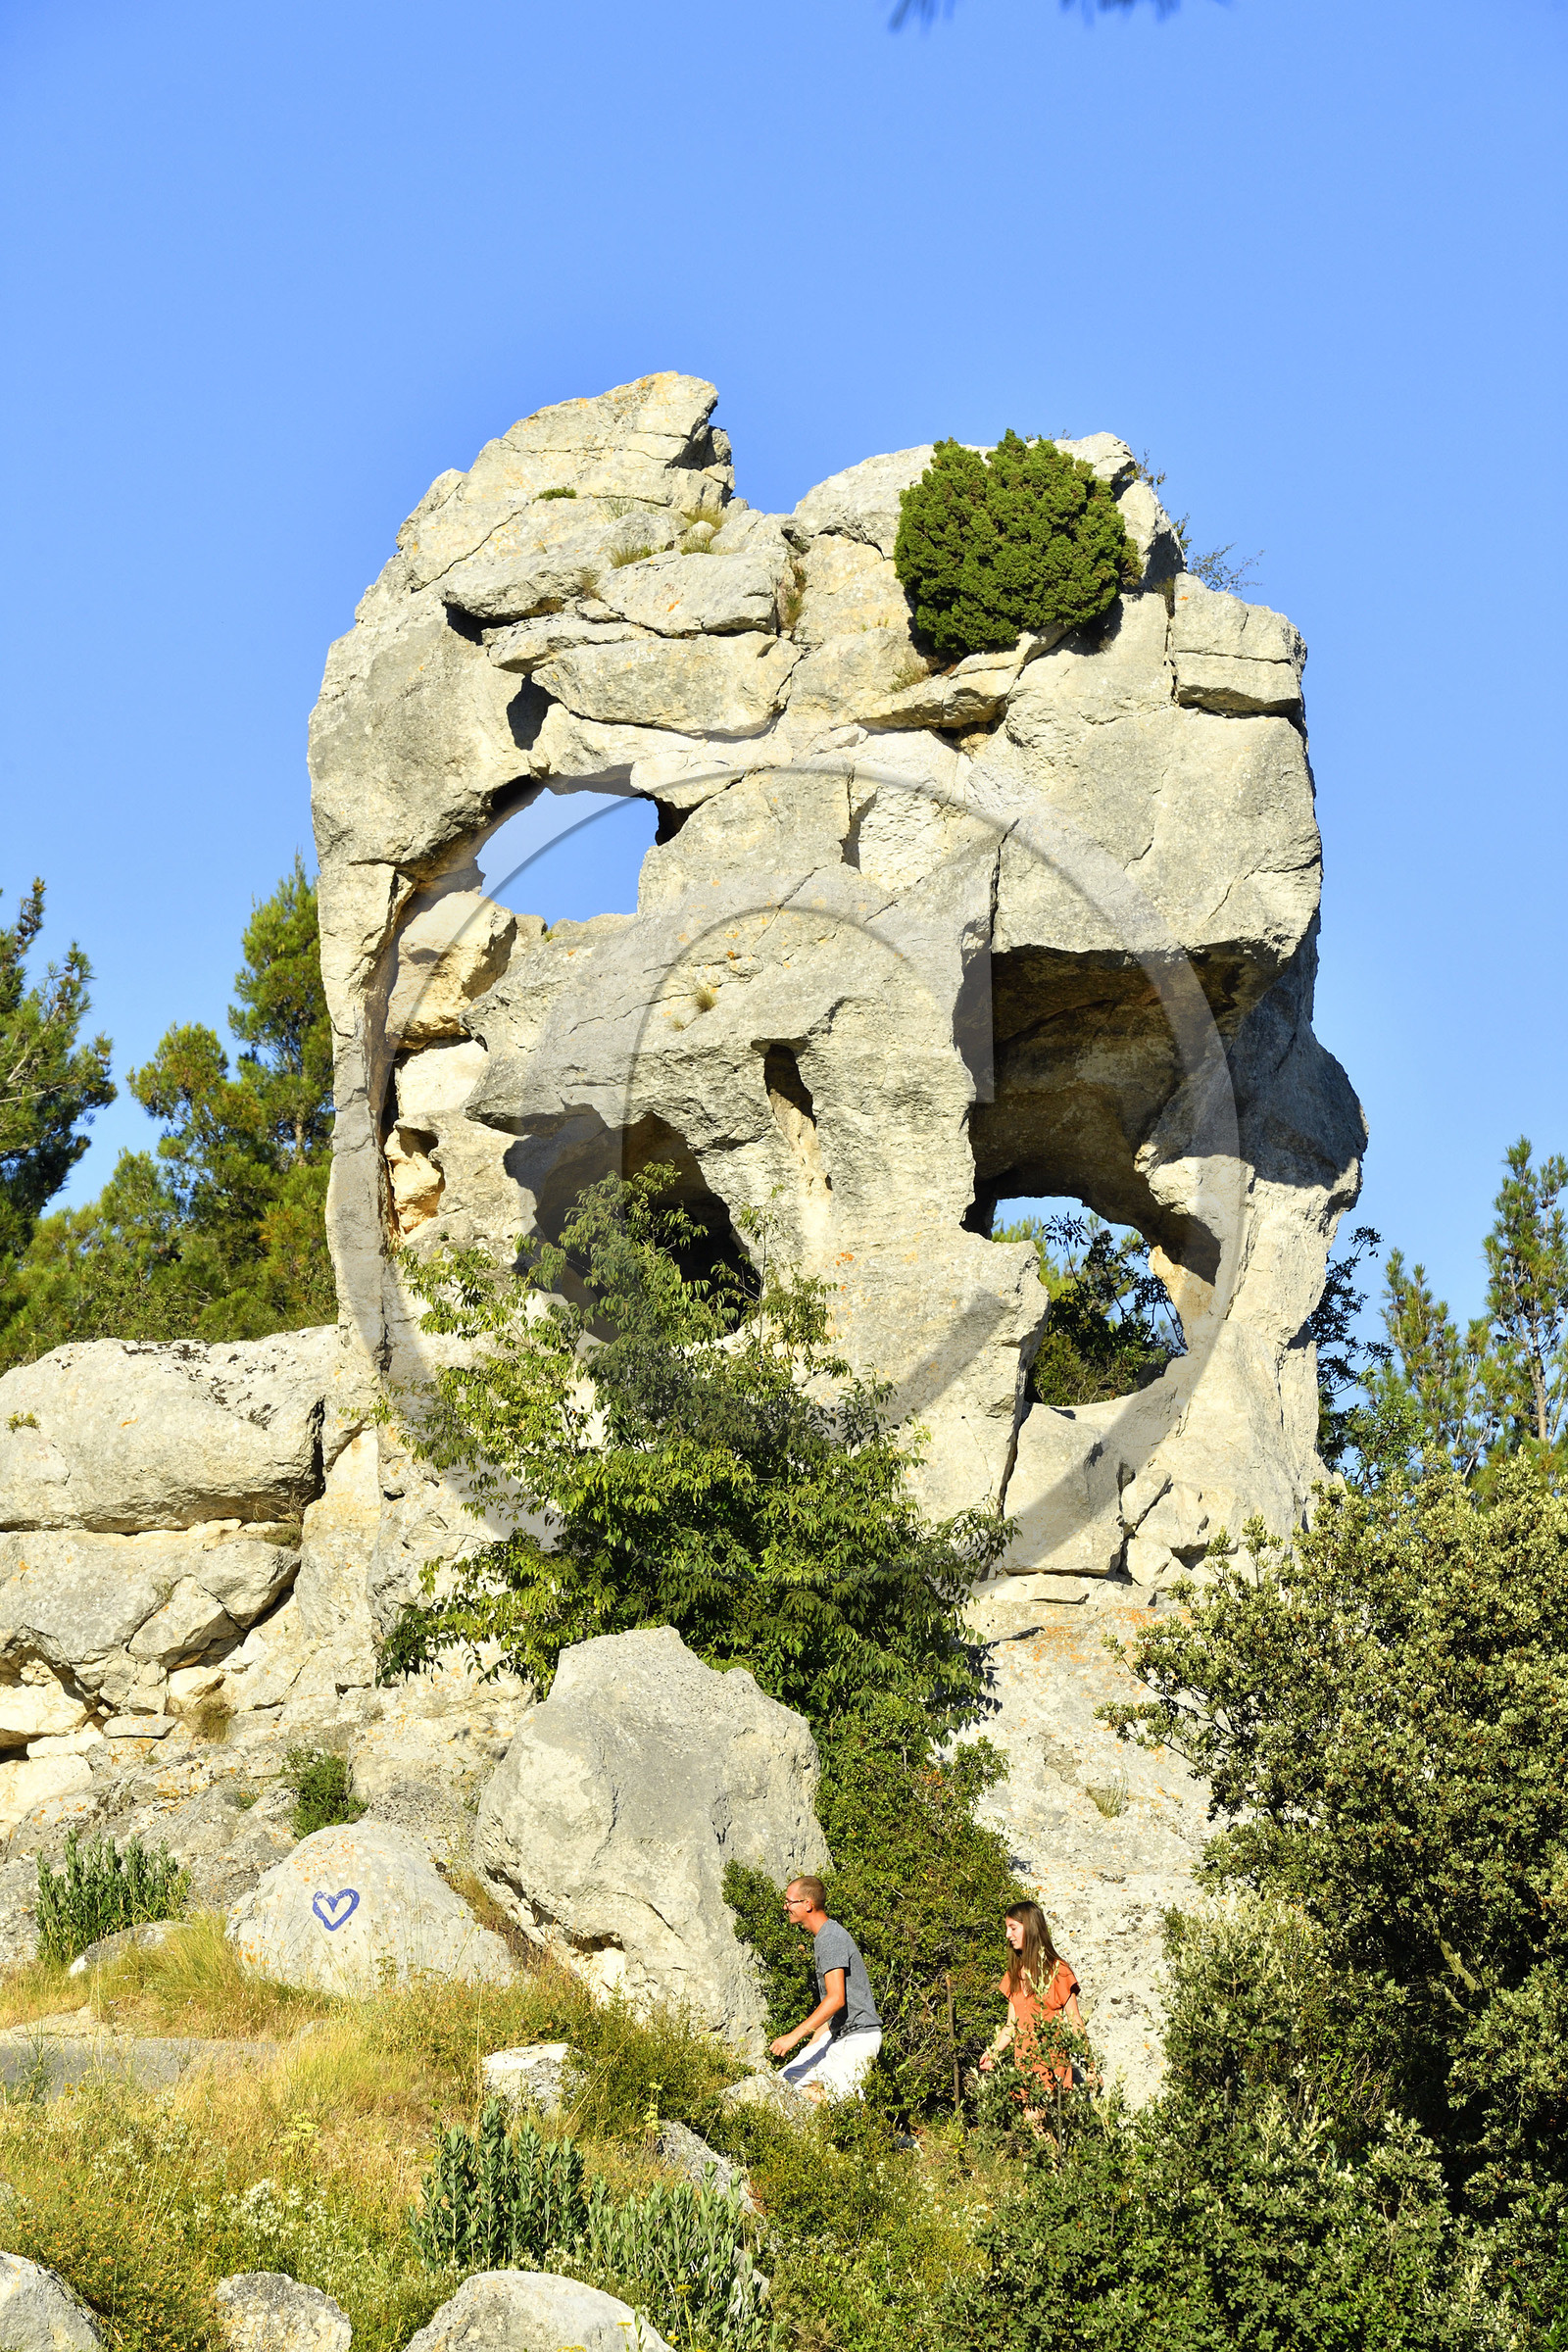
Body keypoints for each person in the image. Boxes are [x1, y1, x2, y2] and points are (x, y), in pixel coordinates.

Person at [768, 1876, 883, 2102]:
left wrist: (793, 2037)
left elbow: (836, 1999)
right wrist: (813, 2045)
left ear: (808, 1904)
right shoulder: (825, 1936)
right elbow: (836, 2007)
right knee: (780, 2088)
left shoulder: (830, 1938)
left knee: (838, 2105)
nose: (785, 1907)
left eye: (790, 1902)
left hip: (858, 2039)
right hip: (838, 2036)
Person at [979, 1900, 1083, 2097]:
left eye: (1013, 1928)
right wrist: (994, 2052)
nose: (1008, 1935)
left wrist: (1091, 2066)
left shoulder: (1058, 1971)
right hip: (1024, 2065)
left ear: (1031, 1927)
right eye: (1007, 1928)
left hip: (1051, 2063)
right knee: (1035, 2126)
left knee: (1035, 2122)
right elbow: (1012, 2024)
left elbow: (1075, 2021)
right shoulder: (1014, 1974)